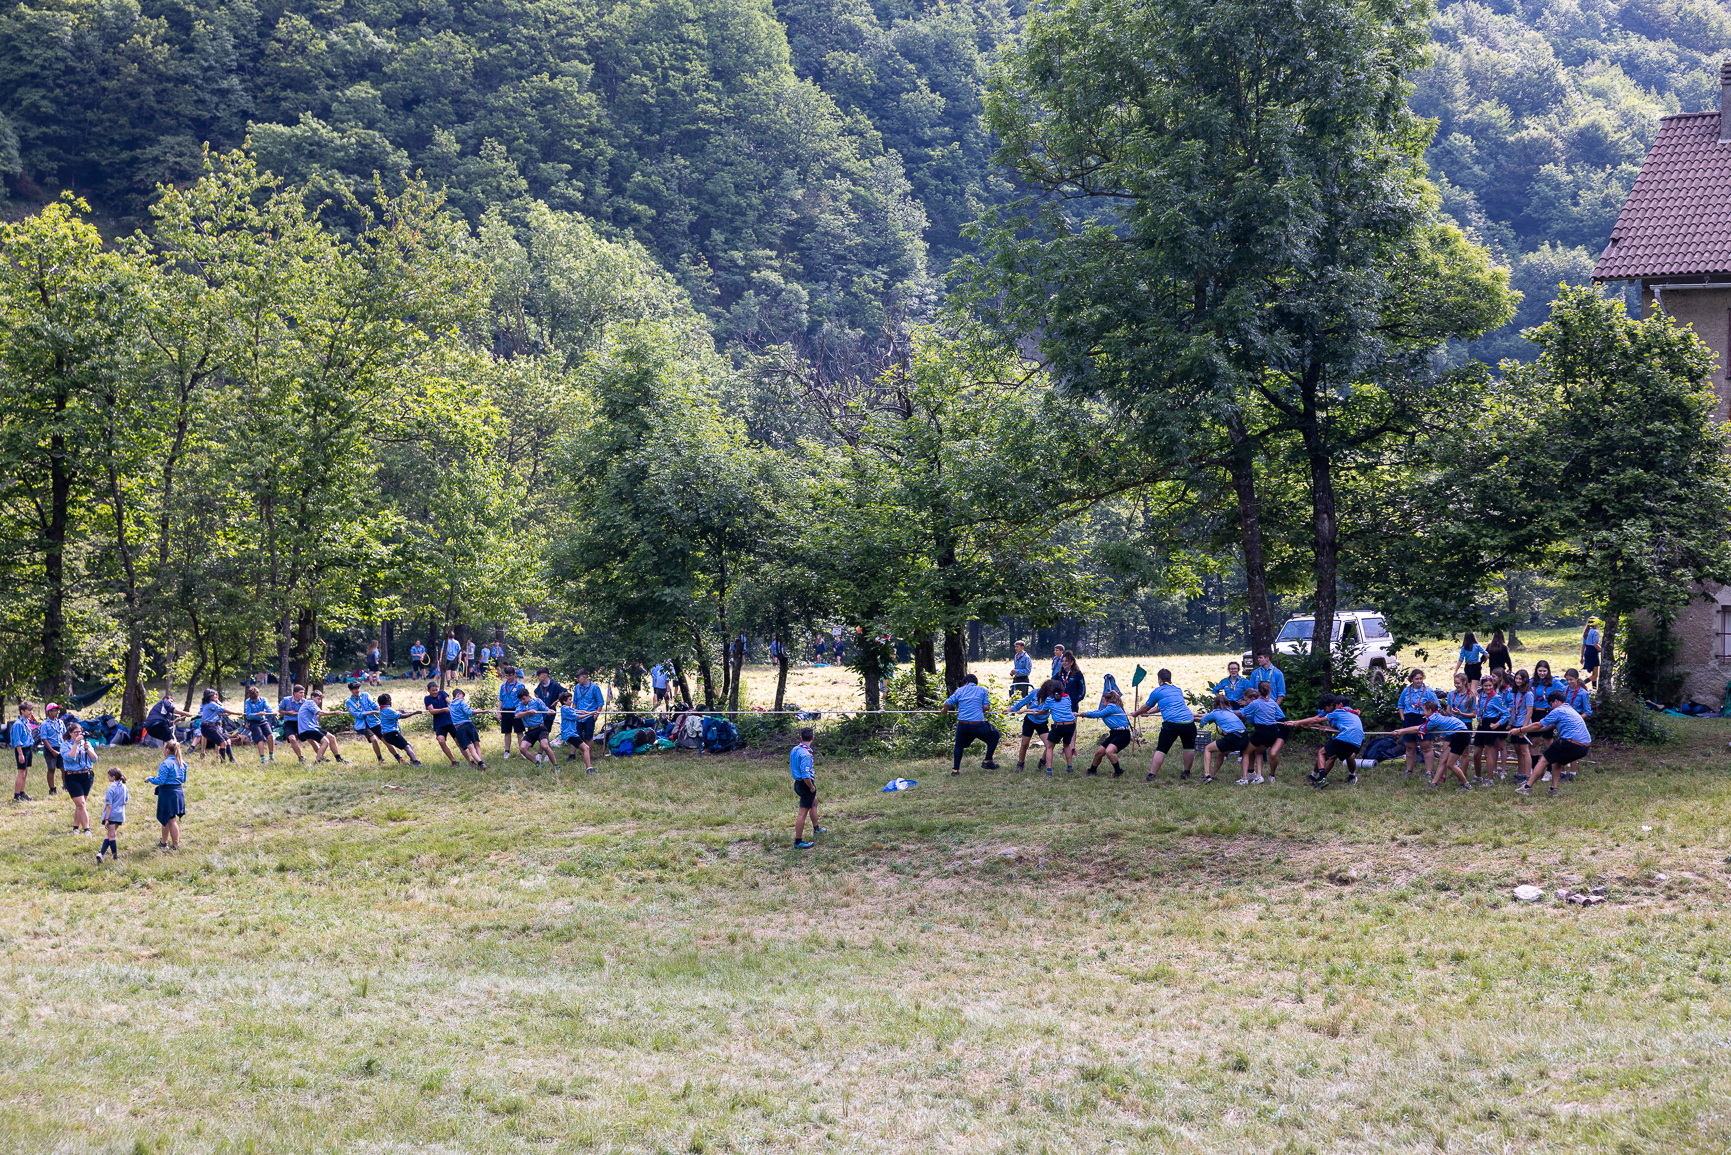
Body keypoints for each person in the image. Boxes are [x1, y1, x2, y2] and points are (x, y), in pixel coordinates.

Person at [1511, 690, 1592, 796]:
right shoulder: (1570, 709)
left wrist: (1519, 730)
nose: (1551, 708)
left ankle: (1526, 788)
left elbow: (1538, 725)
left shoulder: (1558, 711)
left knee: (1543, 759)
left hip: (1571, 743)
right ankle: (1553, 789)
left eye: (1551, 704)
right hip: (1585, 747)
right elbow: (1547, 726)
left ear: (1556, 701)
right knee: (1556, 759)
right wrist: (1526, 731)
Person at [1133, 669, 1198, 784]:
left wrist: (1136, 713)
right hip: (1188, 722)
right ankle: (1186, 772)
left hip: (1171, 724)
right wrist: (1148, 713)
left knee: (1162, 749)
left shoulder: (1158, 691)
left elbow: (1146, 706)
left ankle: (1152, 775)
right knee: (1188, 747)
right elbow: (1162, 706)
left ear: (1160, 679)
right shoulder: (1177, 690)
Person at [1392, 699, 1472, 789]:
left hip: (1461, 735)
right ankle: (1434, 784)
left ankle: (1466, 784)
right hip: (1456, 735)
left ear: (1430, 711)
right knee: (1443, 760)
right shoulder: (1435, 716)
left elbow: (1418, 729)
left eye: (1423, 710)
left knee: (1450, 764)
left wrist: (1402, 731)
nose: (1422, 712)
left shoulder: (1434, 720)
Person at [1291, 694, 1366, 789]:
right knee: (1331, 755)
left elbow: (1316, 720)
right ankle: (1317, 777)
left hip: (1346, 737)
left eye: (1335, 705)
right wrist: (1315, 726)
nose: (1334, 707)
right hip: (1357, 741)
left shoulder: (1338, 711)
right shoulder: (1352, 713)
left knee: (1322, 752)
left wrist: (1297, 723)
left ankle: (1323, 778)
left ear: (1340, 704)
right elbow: (1331, 727)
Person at [942, 673, 999, 775]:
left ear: (966, 682)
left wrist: (945, 711)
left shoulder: (960, 690)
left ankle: (955, 770)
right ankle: (987, 761)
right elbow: (986, 707)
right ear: (976, 683)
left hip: (962, 725)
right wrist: (977, 709)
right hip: (978, 725)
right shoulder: (982, 690)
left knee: (959, 746)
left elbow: (947, 703)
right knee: (995, 736)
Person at [1247, 652, 1288, 776]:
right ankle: (1253, 771)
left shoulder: (1277, 673)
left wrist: (1272, 707)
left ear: (1267, 658)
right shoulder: (1255, 673)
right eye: (1258, 657)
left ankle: (1270, 774)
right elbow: (1251, 692)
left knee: (1269, 743)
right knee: (1258, 738)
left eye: (1260, 658)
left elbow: (1281, 693)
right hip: (1259, 710)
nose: (1258, 660)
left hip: (1272, 711)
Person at [1238, 683, 1284, 785]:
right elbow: (1280, 716)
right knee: (1258, 752)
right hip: (1273, 732)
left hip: (1262, 731)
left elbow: (1242, 713)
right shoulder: (1272, 702)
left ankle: (1244, 778)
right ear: (1269, 691)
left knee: (1246, 751)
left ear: (1258, 691)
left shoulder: (1255, 703)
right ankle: (1259, 776)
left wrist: (1229, 714)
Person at [1196, 694, 1248, 784]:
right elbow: (1207, 715)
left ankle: (1206, 775)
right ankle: (1212, 775)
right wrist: (1195, 715)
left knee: (1207, 749)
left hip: (1233, 737)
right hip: (1244, 737)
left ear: (1215, 703)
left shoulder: (1215, 713)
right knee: (1221, 753)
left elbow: (1203, 720)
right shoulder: (1230, 711)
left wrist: (1193, 719)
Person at [58, 720, 98, 836]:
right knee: (81, 804)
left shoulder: (86, 743)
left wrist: (88, 749)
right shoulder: (65, 745)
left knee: (81, 804)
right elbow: (70, 758)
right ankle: (87, 830)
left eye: (80, 732)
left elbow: (94, 759)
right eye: (76, 732)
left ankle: (75, 828)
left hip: (87, 775)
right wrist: (75, 744)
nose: (78, 734)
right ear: (70, 733)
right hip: (72, 776)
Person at [147, 739, 187, 850]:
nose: (163, 750)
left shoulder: (165, 764)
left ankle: (175, 845)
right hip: (178, 792)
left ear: (167, 750)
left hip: (168, 794)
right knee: (167, 818)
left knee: (171, 820)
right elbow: (183, 779)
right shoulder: (182, 763)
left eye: (164, 748)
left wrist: (150, 779)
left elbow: (161, 781)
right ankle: (163, 842)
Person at [1396, 670, 1439, 777]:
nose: (1419, 681)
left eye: (1421, 678)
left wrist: (1430, 717)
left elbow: (1437, 707)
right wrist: (1402, 717)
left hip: (1422, 719)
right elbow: (1400, 704)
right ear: (1411, 679)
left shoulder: (1428, 691)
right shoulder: (1406, 691)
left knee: (1426, 747)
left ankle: (1429, 772)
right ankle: (1409, 770)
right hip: (1409, 720)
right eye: (1416, 679)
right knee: (1410, 747)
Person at [1082, 691, 1134, 777]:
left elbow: (1099, 714)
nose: (1102, 704)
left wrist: (1084, 714)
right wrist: (1081, 714)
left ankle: (1118, 772)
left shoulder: (1112, 706)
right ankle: (1092, 771)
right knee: (1099, 753)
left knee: (1109, 751)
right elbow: (1098, 712)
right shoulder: (1108, 708)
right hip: (1114, 733)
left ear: (1109, 701)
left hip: (1123, 734)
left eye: (1103, 702)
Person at [1007, 681, 1052, 773]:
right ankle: (1020, 764)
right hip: (1030, 720)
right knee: (1024, 744)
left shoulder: (1053, 698)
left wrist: (1025, 710)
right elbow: (1023, 701)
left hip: (1042, 722)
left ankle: (1042, 762)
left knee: (1049, 745)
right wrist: (1011, 709)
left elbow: (1041, 710)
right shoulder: (1035, 692)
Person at [790, 727, 824, 849]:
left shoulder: (795, 749)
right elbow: (805, 775)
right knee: (802, 814)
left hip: (797, 784)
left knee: (814, 802)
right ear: (813, 738)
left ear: (801, 738)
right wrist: (811, 787)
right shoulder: (806, 755)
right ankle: (798, 842)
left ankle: (816, 829)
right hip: (805, 784)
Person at [565, 670, 605, 771]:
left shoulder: (594, 687)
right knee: (574, 734)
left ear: (584, 677)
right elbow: (575, 702)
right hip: (578, 715)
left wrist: (596, 715)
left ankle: (588, 755)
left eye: (578, 678)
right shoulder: (577, 687)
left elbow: (600, 702)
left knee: (588, 736)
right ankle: (572, 755)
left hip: (590, 716)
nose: (577, 680)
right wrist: (573, 713)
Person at [342, 681, 387, 762]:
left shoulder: (365, 695)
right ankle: (380, 759)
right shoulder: (349, 702)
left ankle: (399, 757)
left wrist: (382, 709)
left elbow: (373, 705)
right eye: (355, 689)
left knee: (385, 739)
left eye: (358, 688)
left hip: (373, 721)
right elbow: (357, 714)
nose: (357, 690)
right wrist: (369, 713)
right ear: (350, 690)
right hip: (362, 725)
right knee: (374, 739)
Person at [1505, 669, 1536, 787]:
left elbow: (1529, 712)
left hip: (1523, 725)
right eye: (1516, 678)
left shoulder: (1528, 694)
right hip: (1514, 723)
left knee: (1524, 750)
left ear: (1525, 680)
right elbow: (1513, 708)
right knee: (1518, 751)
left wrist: (1524, 728)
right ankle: (1520, 774)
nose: (1518, 681)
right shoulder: (1514, 692)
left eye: (1520, 679)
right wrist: (1510, 723)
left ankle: (1527, 776)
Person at [295, 691, 346, 763]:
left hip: (313, 727)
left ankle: (339, 759)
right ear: (312, 697)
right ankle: (317, 762)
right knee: (325, 742)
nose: (320, 701)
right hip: (307, 729)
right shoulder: (310, 702)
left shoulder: (310, 704)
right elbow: (320, 712)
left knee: (332, 737)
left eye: (320, 699)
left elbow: (316, 716)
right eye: (318, 699)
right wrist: (334, 712)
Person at [373, 694, 423, 765]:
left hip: (387, 735)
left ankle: (412, 761)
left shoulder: (382, 709)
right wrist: (414, 713)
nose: (391, 701)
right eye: (390, 700)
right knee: (407, 746)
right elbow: (401, 716)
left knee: (409, 745)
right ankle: (416, 763)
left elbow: (394, 714)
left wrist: (399, 712)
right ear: (387, 701)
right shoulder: (388, 709)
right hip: (392, 733)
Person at [511, 686, 556, 764]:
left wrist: (550, 711)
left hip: (540, 728)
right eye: (521, 699)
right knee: (522, 748)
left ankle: (556, 765)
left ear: (528, 695)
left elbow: (546, 710)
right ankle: (538, 764)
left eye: (523, 699)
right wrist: (529, 712)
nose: (522, 701)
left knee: (545, 746)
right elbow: (517, 715)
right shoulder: (520, 705)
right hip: (530, 731)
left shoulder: (537, 701)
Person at [1041, 679, 1077, 776]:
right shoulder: (1067, 697)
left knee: (1049, 747)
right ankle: (1070, 768)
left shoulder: (1049, 699)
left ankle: (1049, 771)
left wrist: (1037, 713)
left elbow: (1044, 710)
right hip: (1071, 724)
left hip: (1059, 725)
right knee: (1066, 745)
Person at [1058, 653, 1086, 770]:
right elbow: (1052, 684)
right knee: (1062, 724)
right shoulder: (1060, 673)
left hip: (1072, 703)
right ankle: (1065, 747)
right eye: (1063, 661)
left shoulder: (1077, 674)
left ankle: (1072, 748)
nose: (1064, 663)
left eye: (1066, 661)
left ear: (1072, 662)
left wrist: (1077, 699)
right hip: (1060, 703)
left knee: (1072, 724)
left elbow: (1082, 689)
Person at [446, 688, 487, 769]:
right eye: (462, 696)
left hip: (459, 728)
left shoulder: (451, 705)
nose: (463, 698)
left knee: (470, 748)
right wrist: (481, 711)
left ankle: (480, 763)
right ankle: (481, 763)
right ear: (458, 695)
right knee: (476, 744)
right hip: (468, 725)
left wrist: (475, 710)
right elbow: (469, 712)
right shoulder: (461, 702)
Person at [195, 689, 239, 762]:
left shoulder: (212, 703)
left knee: (228, 740)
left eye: (216, 694)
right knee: (222, 742)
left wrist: (226, 713)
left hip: (213, 726)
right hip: (208, 727)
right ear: (209, 696)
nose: (216, 696)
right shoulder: (211, 704)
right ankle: (223, 762)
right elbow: (222, 709)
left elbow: (219, 712)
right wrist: (236, 713)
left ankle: (232, 760)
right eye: (214, 695)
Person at [424, 682, 461, 765]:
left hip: (450, 721)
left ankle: (470, 760)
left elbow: (450, 702)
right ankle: (453, 761)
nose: (435, 692)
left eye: (436, 690)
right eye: (433, 690)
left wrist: (456, 707)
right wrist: (444, 709)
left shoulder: (442, 693)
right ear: (428, 690)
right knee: (441, 741)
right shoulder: (427, 698)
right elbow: (432, 711)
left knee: (458, 741)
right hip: (439, 723)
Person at [97, 767, 127, 863]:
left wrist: (106, 819)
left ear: (113, 777)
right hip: (120, 814)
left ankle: (112, 855)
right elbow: (125, 801)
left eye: (109, 776)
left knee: (112, 835)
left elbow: (109, 805)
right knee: (110, 834)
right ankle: (103, 854)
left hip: (112, 815)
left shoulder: (111, 789)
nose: (108, 777)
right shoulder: (125, 787)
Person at [11, 701, 37, 802]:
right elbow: (17, 740)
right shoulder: (18, 724)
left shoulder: (26, 722)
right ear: (22, 711)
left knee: (25, 772)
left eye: (31, 710)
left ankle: (22, 793)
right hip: (22, 750)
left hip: (28, 748)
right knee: (21, 772)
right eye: (29, 710)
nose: (31, 712)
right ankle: (16, 796)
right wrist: (20, 754)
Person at [242, 686, 277, 763]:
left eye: (256, 699)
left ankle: (271, 756)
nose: (254, 700)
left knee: (270, 736)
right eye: (253, 699)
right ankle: (263, 759)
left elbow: (268, 708)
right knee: (260, 739)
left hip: (262, 720)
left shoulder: (263, 700)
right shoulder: (248, 702)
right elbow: (248, 715)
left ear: (259, 694)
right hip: (253, 722)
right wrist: (257, 714)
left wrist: (272, 712)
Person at [497, 668, 526, 759]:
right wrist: (499, 712)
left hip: (517, 711)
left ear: (514, 674)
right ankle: (507, 751)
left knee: (519, 731)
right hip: (506, 711)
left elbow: (524, 700)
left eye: (510, 675)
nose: (508, 677)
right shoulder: (503, 686)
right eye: (506, 675)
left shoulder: (520, 686)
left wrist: (522, 710)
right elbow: (501, 699)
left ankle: (523, 751)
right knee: (507, 732)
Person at [39, 702, 64, 795]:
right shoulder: (44, 724)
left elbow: (64, 735)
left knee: (64, 768)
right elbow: (44, 739)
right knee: (51, 769)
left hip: (61, 747)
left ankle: (66, 786)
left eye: (58, 710)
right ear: (49, 712)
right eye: (55, 710)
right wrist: (52, 750)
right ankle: (52, 789)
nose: (57, 712)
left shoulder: (60, 722)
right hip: (50, 748)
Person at [278, 686, 306, 762]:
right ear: (295, 693)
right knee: (292, 739)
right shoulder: (286, 700)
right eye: (301, 693)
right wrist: (289, 712)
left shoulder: (305, 702)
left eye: (303, 693)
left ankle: (320, 756)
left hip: (300, 723)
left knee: (311, 738)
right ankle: (300, 757)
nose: (302, 695)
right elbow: (280, 710)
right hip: (289, 723)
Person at [1581, 619, 1602, 686]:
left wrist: (1581, 656)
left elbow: (1583, 645)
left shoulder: (1586, 632)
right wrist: (1602, 650)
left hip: (1587, 652)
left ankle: (1594, 688)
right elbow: (1595, 644)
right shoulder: (1595, 632)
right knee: (1595, 675)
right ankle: (1581, 684)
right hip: (1593, 653)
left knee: (1594, 674)